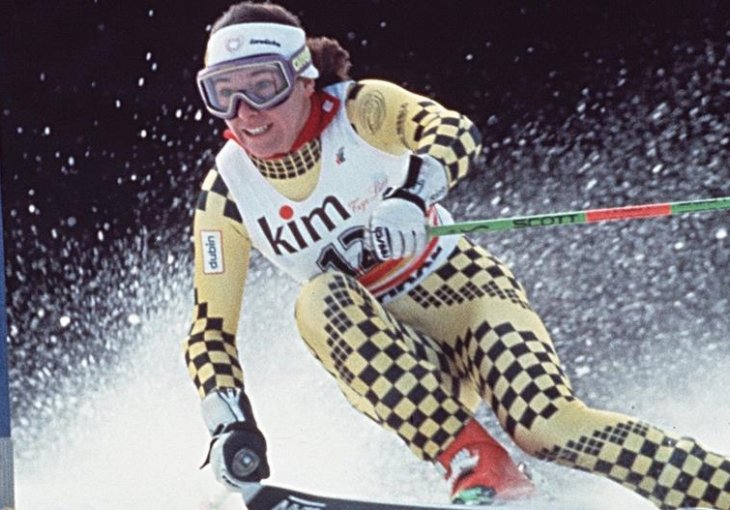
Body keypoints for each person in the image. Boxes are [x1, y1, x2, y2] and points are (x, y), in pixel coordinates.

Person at [183, 2, 730, 508]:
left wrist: (411, 195)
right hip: (394, 359)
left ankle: (717, 491)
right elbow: (210, 331)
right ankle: (478, 463)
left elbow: (455, 132)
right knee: (318, 300)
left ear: (303, 78)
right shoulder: (228, 193)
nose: (245, 112)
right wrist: (229, 423)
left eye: (265, 86)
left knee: (549, 429)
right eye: (223, 93)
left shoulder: (363, 108)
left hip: (465, 297)